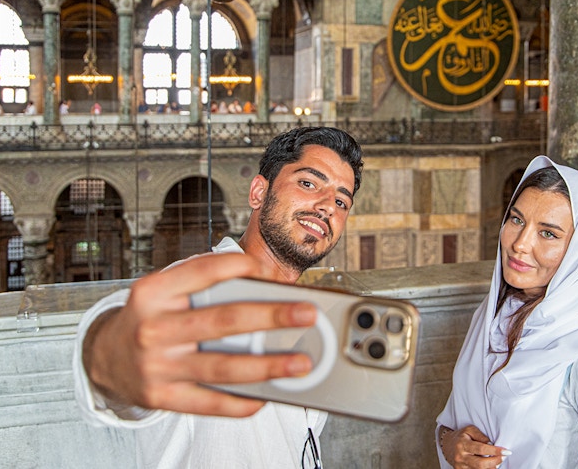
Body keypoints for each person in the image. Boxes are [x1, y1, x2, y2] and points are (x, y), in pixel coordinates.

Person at [73, 126, 364, 468]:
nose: (327, 206)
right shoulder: (201, 290)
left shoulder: (307, 319)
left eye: (341, 201)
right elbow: (116, 359)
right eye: (308, 183)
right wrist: (117, 354)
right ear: (258, 192)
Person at [436, 156, 578, 469]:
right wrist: (452, 445)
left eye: (548, 233)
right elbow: (452, 425)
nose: (520, 244)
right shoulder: (494, 317)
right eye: (517, 220)